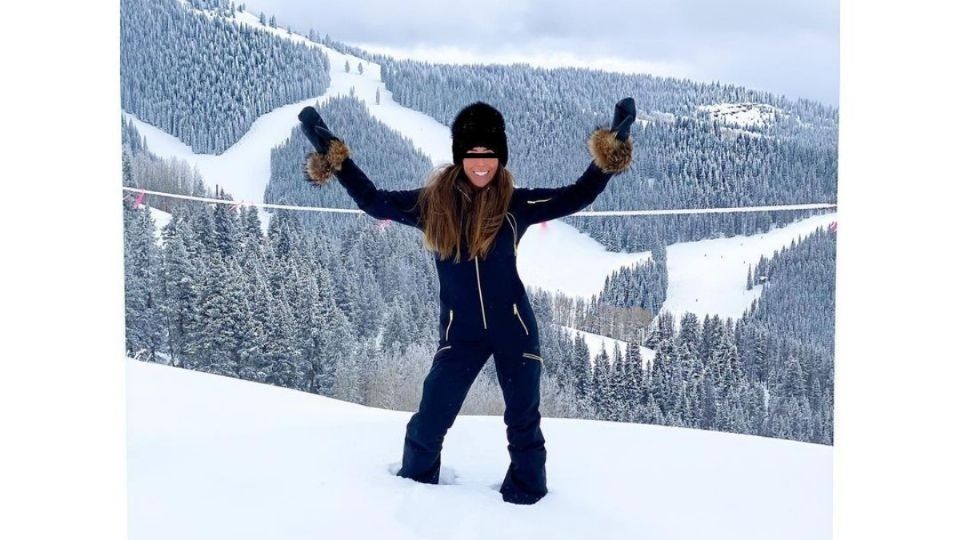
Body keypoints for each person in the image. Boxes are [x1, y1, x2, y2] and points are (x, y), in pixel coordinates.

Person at [298, 99, 635, 505]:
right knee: (429, 422)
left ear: (500, 158)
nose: (481, 164)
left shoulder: (516, 205)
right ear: (460, 157)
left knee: (523, 425)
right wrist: (336, 158)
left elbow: (576, 195)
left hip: (515, 329)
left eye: (489, 155)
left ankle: (531, 513)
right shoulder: (432, 204)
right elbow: (374, 201)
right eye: (473, 155)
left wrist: (610, 152)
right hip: (462, 335)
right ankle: (412, 500)